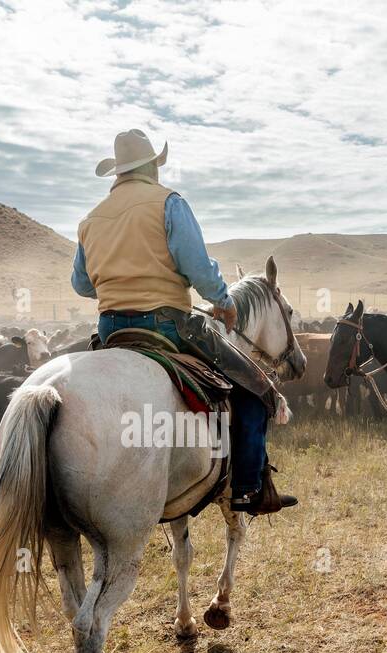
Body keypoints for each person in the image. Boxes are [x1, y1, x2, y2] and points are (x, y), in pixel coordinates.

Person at [71, 129, 295, 514]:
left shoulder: (91, 219)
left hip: (110, 330)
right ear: (149, 167)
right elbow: (198, 269)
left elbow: (81, 283)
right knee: (256, 387)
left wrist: (119, 283)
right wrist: (224, 302)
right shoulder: (168, 203)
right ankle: (247, 488)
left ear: (119, 172)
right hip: (167, 326)